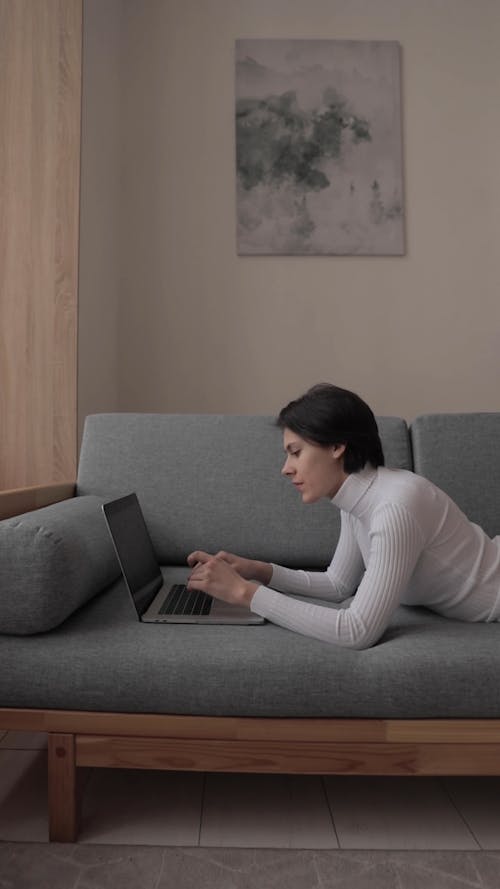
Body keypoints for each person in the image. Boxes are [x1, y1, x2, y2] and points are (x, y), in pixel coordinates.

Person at [187, 383, 500, 649]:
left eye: (295, 452)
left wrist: (244, 592)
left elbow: (358, 630)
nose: (286, 468)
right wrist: (258, 571)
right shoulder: (358, 498)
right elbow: (338, 585)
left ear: (336, 446)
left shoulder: (394, 508)